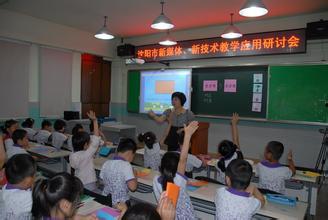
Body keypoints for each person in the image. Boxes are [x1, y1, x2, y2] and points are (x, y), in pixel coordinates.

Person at [153, 121, 198, 220]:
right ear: (177, 168)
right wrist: (188, 135)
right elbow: (183, 160)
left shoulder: (155, 180)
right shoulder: (178, 181)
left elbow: (182, 160)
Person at [32, 172, 97, 220]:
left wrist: (84, 218)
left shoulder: (49, 213)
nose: (76, 207)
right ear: (65, 205)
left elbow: (69, 218)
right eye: (76, 203)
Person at [100, 138, 138, 206]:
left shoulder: (106, 163)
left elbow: (101, 181)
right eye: (133, 155)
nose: (133, 158)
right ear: (130, 152)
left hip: (106, 201)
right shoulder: (126, 165)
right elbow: (133, 187)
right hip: (120, 205)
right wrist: (134, 174)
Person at [0, 154, 36, 219]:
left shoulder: (5, 187)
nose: (35, 177)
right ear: (26, 181)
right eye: (34, 175)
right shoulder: (27, 197)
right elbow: (41, 204)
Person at [69, 111, 101, 185]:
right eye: (89, 142)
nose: (91, 143)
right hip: (89, 182)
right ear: (85, 145)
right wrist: (95, 120)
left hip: (78, 181)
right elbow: (96, 139)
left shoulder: (72, 154)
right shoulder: (87, 154)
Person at [215, 113, 244, 184]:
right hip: (236, 187)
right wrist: (234, 124)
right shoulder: (237, 155)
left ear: (220, 154)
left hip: (223, 187)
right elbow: (236, 139)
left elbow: (235, 140)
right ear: (232, 148)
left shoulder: (219, 164)